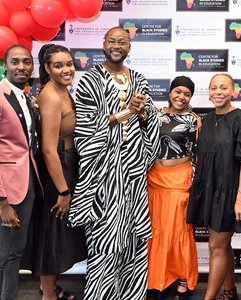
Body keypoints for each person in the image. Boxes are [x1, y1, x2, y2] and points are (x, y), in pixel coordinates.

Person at [68, 27, 160, 300]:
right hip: (104, 172)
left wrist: (143, 113)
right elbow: (85, 125)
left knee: (133, 238)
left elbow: (149, 121)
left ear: (129, 47)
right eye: (112, 41)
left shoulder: (140, 79)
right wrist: (126, 113)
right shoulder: (89, 80)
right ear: (104, 44)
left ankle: (131, 294)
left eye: (123, 41)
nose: (117, 45)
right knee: (105, 238)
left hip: (132, 168)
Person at [187, 73, 241, 300]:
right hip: (211, 190)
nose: (218, 92)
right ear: (208, 93)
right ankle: (230, 292)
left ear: (233, 92)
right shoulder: (206, 120)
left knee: (216, 247)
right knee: (223, 245)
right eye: (214, 88)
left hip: (231, 192)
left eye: (223, 88)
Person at [29, 44, 87, 300]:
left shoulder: (64, 90)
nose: (66, 69)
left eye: (69, 64)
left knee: (59, 230)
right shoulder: (51, 96)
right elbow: (49, 150)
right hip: (58, 167)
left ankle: (48, 287)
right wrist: (63, 191)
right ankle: (48, 295)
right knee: (51, 231)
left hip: (69, 163)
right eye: (58, 65)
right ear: (46, 68)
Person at [147, 76, 200, 300]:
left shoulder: (193, 120)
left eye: (187, 94)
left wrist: (193, 183)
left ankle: (182, 278)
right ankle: (157, 280)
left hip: (180, 179)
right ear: (170, 92)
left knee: (179, 231)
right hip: (154, 179)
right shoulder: (155, 115)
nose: (181, 97)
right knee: (155, 232)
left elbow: (197, 154)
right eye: (178, 91)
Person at [0, 45, 42, 300]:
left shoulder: (26, 98)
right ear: (5, 66)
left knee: (16, 251)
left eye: (26, 62)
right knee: (2, 253)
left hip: (27, 184)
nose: (21, 67)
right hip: (6, 187)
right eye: (14, 62)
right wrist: (2, 200)